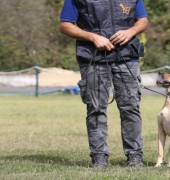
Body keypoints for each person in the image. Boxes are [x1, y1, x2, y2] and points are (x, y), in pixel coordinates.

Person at [59, 0, 148, 168]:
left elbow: (142, 20)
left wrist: (130, 32)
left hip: (127, 56)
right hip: (93, 57)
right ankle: (99, 157)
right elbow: (65, 25)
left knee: (130, 107)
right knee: (96, 108)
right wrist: (93, 37)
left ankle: (135, 156)